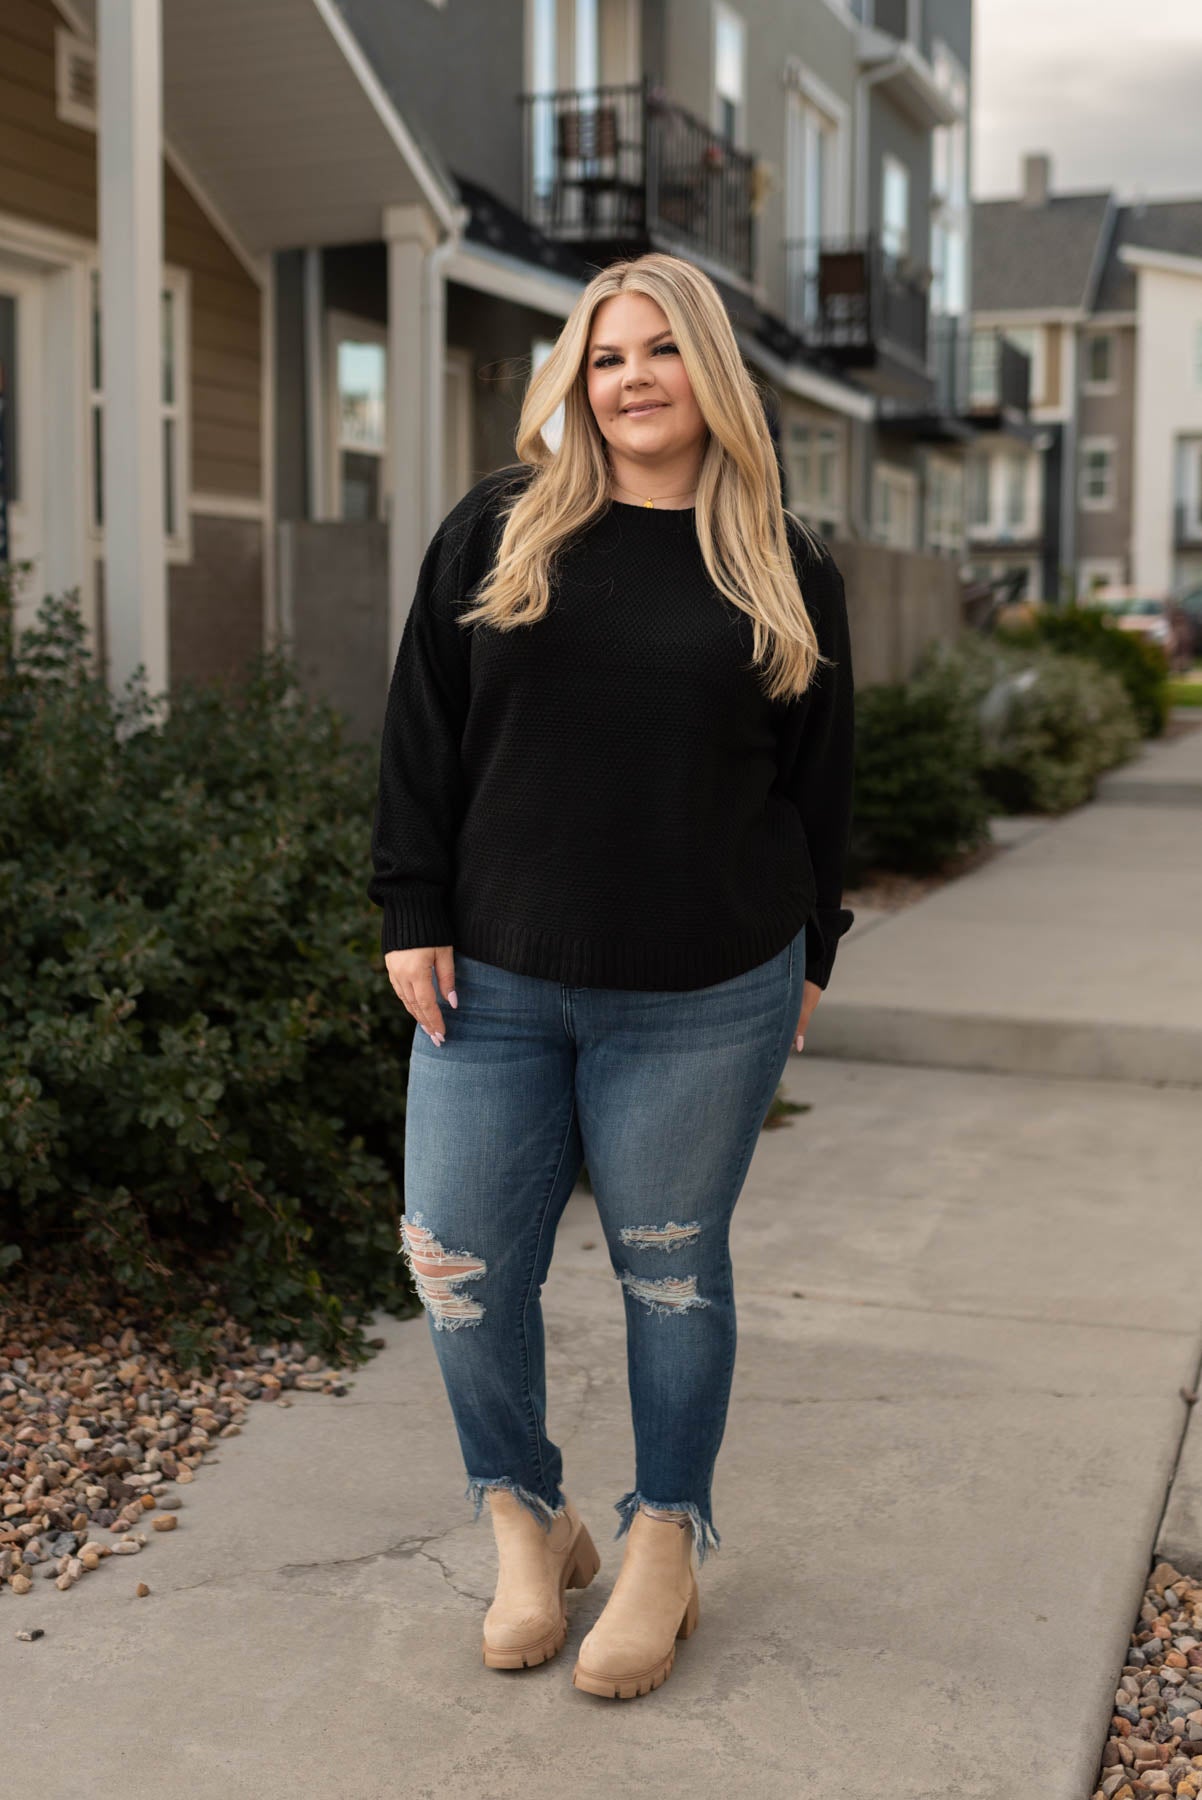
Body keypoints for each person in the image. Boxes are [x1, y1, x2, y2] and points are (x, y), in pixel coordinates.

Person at [367, 250, 855, 1700]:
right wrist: (411, 906)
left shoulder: (779, 560)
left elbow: (820, 786)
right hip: (496, 982)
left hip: (709, 990)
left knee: (670, 1278)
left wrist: (812, 956)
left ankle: (664, 1543)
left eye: (659, 351)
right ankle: (527, 1521)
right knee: (455, 1264)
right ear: (576, 381)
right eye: (604, 355)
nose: (631, 377)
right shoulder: (503, 531)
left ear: (710, 373)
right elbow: (420, 732)